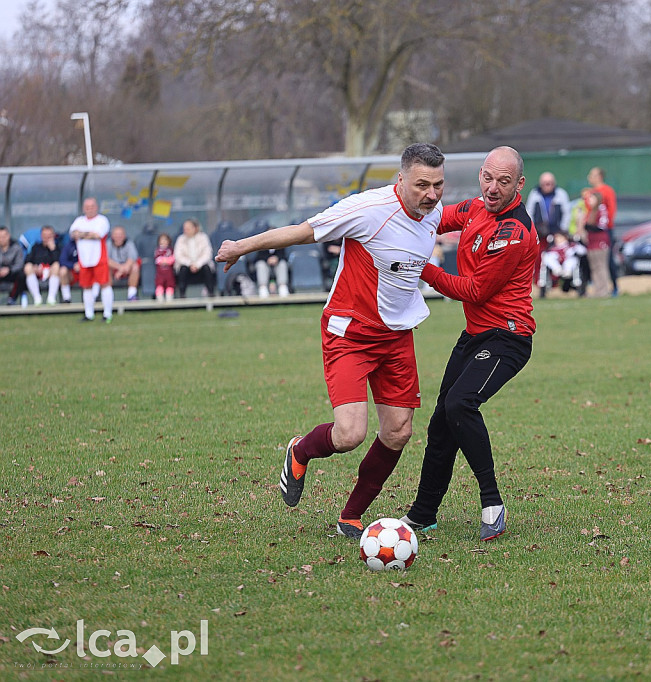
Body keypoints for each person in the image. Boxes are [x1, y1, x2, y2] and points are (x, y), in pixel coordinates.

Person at [214, 142, 446, 538]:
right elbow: (302, 232)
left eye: (438, 185)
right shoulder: (366, 209)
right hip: (350, 331)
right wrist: (242, 246)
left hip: (397, 335)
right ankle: (300, 450)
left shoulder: (433, 209)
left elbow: (464, 215)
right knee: (350, 434)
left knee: (399, 432)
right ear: (401, 178)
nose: (432, 194)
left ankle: (351, 516)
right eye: (422, 184)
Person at [402, 145, 537, 542]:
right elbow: (440, 217)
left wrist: (421, 267)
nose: (493, 188)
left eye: (504, 181)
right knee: (441, 421)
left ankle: (492, 502)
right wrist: (401, 219)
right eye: (488, 178)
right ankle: (423, 514)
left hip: (509, 337)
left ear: (520, 184)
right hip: (477, 335)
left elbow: (475, 290)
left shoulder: (513, 233)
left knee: (461, 404)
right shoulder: (478, 206)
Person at [69, 197, 113, 322]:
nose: (90, 209)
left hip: (99, 257)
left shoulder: (102, 220)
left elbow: (98, 235)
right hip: (84, 259)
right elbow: (73, 233)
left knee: (104, 284)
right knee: (86, 286)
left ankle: (107, 314)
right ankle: (89, 314)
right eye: (87, 207)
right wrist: (88, 234)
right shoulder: (79, 220)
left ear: (96, 207)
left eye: (92, 206)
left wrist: (82, 234)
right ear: (83, 208)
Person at [525, 172, 571, 283]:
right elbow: (529, 211)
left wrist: (562, 230)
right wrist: (532, 230)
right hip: (539, 232)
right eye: (545, 183)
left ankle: (556, 282)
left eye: (550, 183)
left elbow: (567, 212)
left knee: (557, 255)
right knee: (538, 257)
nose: (547, 186)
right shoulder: (535, 194)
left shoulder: (560, 194)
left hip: (557, 232)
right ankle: (539, 282)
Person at [587, 167, 619, 295]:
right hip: (591, 232)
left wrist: (605, 225)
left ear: (599, 176)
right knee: (593, 261)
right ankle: (597, 287)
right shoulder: (590, 192)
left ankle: (613, 286)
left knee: (607, 259)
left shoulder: (606, 191)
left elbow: (611, 210)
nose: (589, 177)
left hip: (603, 231)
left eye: (592, 175)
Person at [578, 189, 612, 298]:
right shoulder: (591, 211)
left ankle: (604, 290)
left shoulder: (601, 209)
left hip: (600, 243)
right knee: (594, 267)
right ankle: (598, 290)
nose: (589, 200)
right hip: (591, 243)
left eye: (591, 198)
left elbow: (601, 226)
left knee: (601, 266)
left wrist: (588, 227)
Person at [173, 218, 217, 298]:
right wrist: (190, 264)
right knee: (182, 269)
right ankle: (182, 296)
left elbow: (207, 254)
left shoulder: (203, 237)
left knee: (207, 268)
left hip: (201, 267)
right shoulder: (180, 239)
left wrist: (197, 264)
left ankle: (211, 294)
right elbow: (178, 256)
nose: (186, 230)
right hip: (186, 267)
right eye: (185, 229)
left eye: (188, 228)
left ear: (195, 228)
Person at [22, 225, 61, 305]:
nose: (47, 238)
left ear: (53, 236)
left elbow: (60, 261)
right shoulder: (35, 247)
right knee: (28, 267)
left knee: (56, 265)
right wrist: (35, 267)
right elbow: (27, 260)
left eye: (49, 236)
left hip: (51, 273)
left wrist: (53, 249)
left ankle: (51, 298)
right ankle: (37, 298)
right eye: (44, 236)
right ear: (41, 236)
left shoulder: (58, 247)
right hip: (37, 273)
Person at [107, 225, 141, 301]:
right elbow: (106, 260)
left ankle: (131, 295)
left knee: (135, 267)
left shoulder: (129, 243)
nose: (118, 237)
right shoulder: (108, 244)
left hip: (126, 268)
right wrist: (119, 268)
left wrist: (122, 270)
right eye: (116, 235)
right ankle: (108, 296)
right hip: (114, 268)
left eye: (120, 235)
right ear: (112, 236)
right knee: (105, 268)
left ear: (124, 236)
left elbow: (132, 259)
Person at [0, 226, 26, 304]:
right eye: (0, 237)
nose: (2, 239)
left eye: (4, 236)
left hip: (12, 273)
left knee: (21, 275)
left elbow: (20, 263)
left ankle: (12, 298)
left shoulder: (17, 247)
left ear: (8, 236)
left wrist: (9, 270)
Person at [154, 232, 176, 302]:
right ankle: (160, 297)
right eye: (162, 240)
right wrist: (164, 260)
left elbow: (173, 259)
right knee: (159, 284)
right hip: (160, 274)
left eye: (165, 240)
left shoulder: (171, 250)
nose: (163, 242)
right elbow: (157, 260)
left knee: (170, 284)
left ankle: (169, 297)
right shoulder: (157, 251)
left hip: (169, 273)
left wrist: (167, 261)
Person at [58, 237, 79, 304]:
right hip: (73, 272)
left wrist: (82, 265)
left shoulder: (90, 245)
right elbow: (62, 261)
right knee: (63, 270)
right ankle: (66, 298)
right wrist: (73, 265)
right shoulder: (69, 246)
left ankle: (94, 297)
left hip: (87, 270)